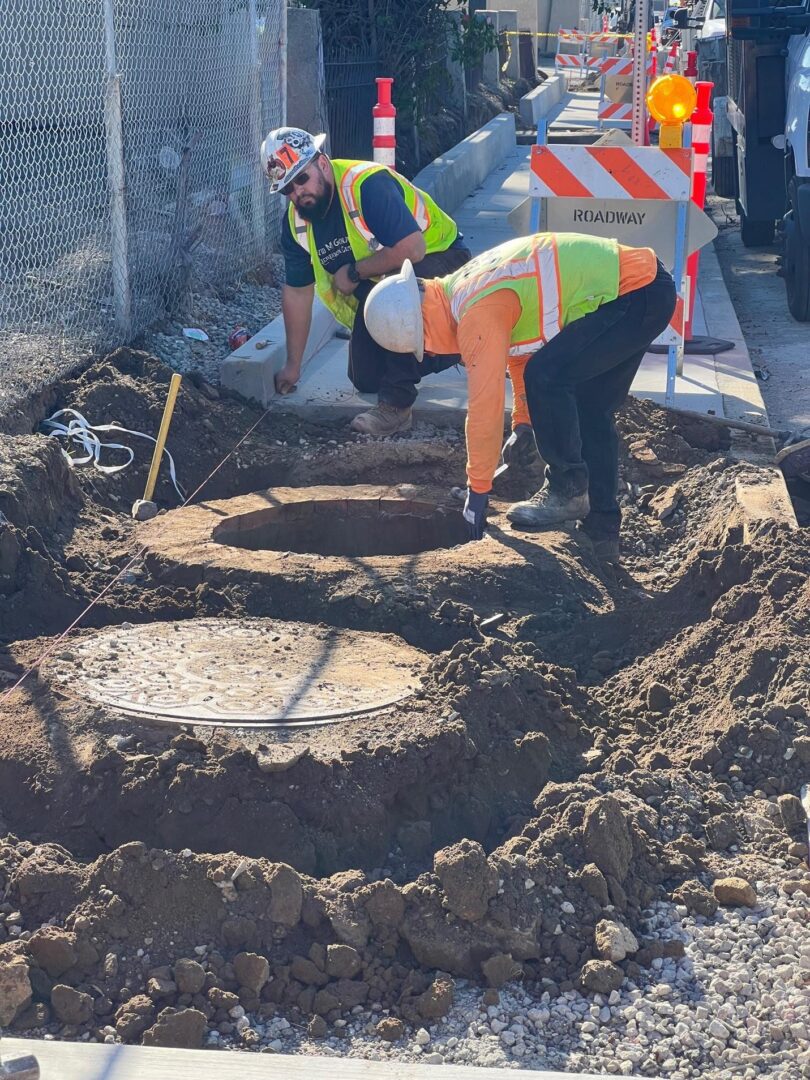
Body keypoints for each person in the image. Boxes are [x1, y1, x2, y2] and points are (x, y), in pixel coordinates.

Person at [361, 232, 676, 560]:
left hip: (633, 293)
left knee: (549, 377)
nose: (427, 349)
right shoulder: (462, 288)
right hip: (644, 287)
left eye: (421, 343)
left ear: (422, 322)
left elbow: (485, 405)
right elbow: (518, 348)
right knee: (590, 408)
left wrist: (478, 491)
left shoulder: (474, 313)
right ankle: (602, 533)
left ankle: (566, 490)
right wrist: (524, 423)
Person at [261, 127, 471, 436]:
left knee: (396, 301)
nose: (297, 194)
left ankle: (397, 407)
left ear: (321, 163)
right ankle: (464, 341)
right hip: (383, 287)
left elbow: (413, 248)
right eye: (287, 190)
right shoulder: (296, 224)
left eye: (301, 179)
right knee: (366, 377)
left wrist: (356, 271)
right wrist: (293, 365)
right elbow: (297, 292)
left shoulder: (365, 185)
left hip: (443, 262)